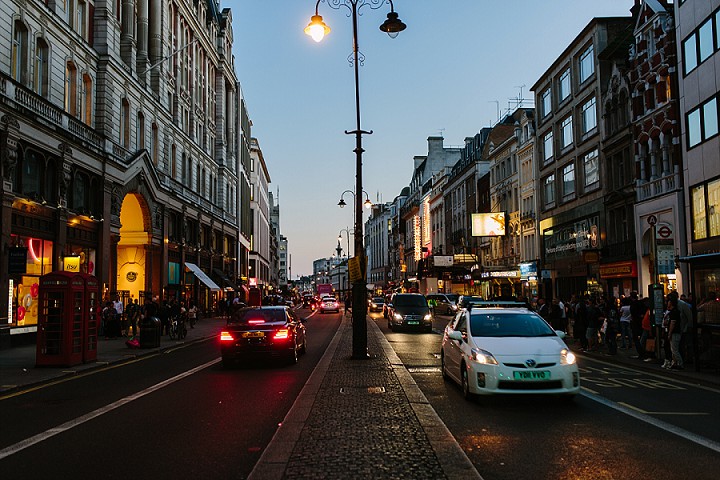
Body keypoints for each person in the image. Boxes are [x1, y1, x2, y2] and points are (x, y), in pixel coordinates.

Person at [666, 295, 684, 369]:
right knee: (673, 349)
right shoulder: (674, 311)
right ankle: (675, 363)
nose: (667, 303)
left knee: (674, 349)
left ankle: (680, 363)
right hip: (676, 332)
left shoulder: (674, 312)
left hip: (675, 332)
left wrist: (669, 333)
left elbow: (672, 323)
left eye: (669, 302)